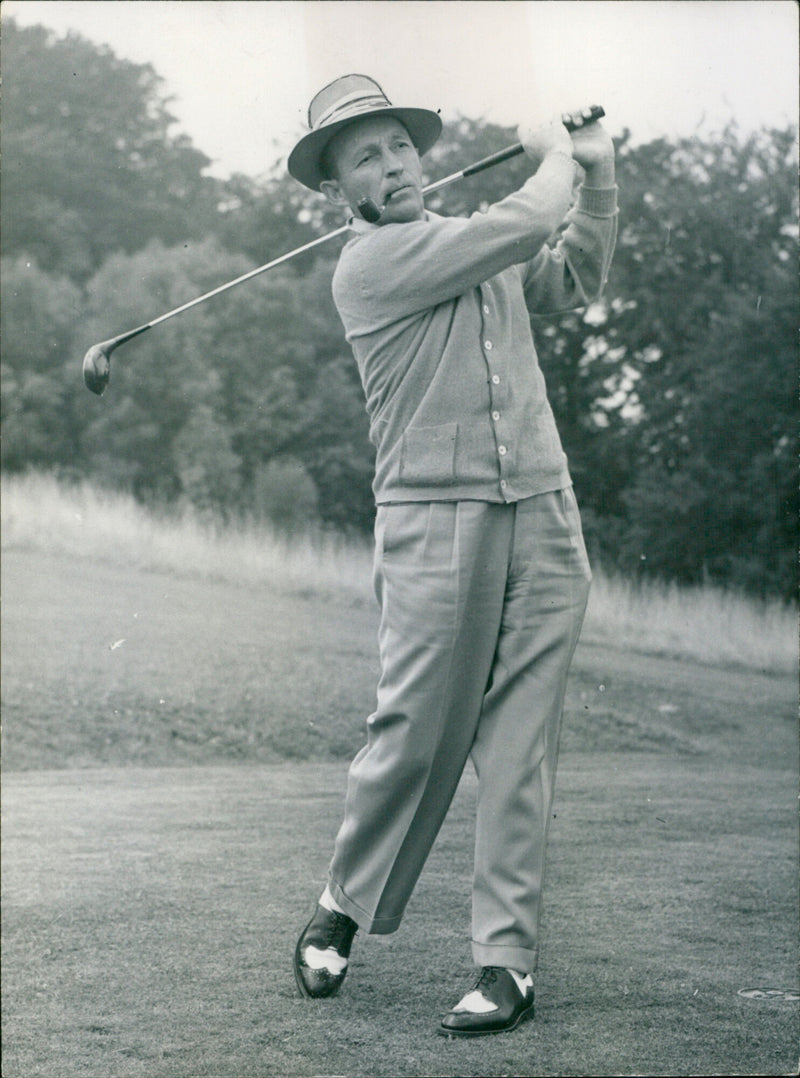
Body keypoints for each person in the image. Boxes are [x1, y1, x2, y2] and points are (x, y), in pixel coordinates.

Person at [287, 74, 617, 1037]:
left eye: (397, 148)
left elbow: (571, 276)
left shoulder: (474, 239)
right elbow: (517, 230)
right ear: (336, 188)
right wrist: (556, 158)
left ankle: (506, 965)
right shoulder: (370, 267)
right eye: (364, 159)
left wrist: (597, 178)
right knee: (415, 730)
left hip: (543, 511)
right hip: (436, 518)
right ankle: (342, 904)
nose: (390, 167)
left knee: (520, 749)